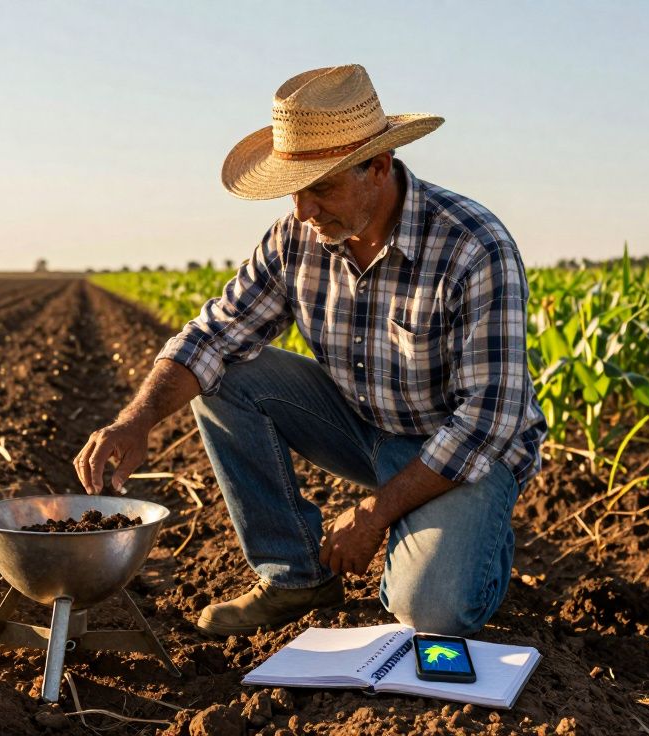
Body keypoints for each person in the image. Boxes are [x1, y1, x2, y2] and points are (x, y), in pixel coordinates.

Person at [74, 64, 546, 637]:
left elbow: (485, 421)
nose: (302, 210)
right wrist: (136, 420)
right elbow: (212, 336)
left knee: (432, 611)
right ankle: (295, 579)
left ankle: (475, 536)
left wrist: (375, 514)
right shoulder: (297, 237)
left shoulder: (473, 247)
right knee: (221, 374)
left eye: (320, 187)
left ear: (378, 166)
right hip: (363, 425)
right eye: (294, 190)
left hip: (461, 447)